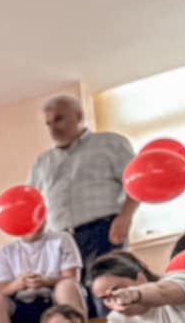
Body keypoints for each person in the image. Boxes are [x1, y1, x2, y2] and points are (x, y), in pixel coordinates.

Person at [30, 94, 137, 268]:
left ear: (78, 116)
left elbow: (136, 185)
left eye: (59, 120)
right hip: (60, 241)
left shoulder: (110, 143)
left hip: (104, 232)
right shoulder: (42, 163)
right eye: (48, 124)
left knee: (107, 289)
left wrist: (125, 218)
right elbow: (33, 205)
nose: (53, 129)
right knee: (72, 294)